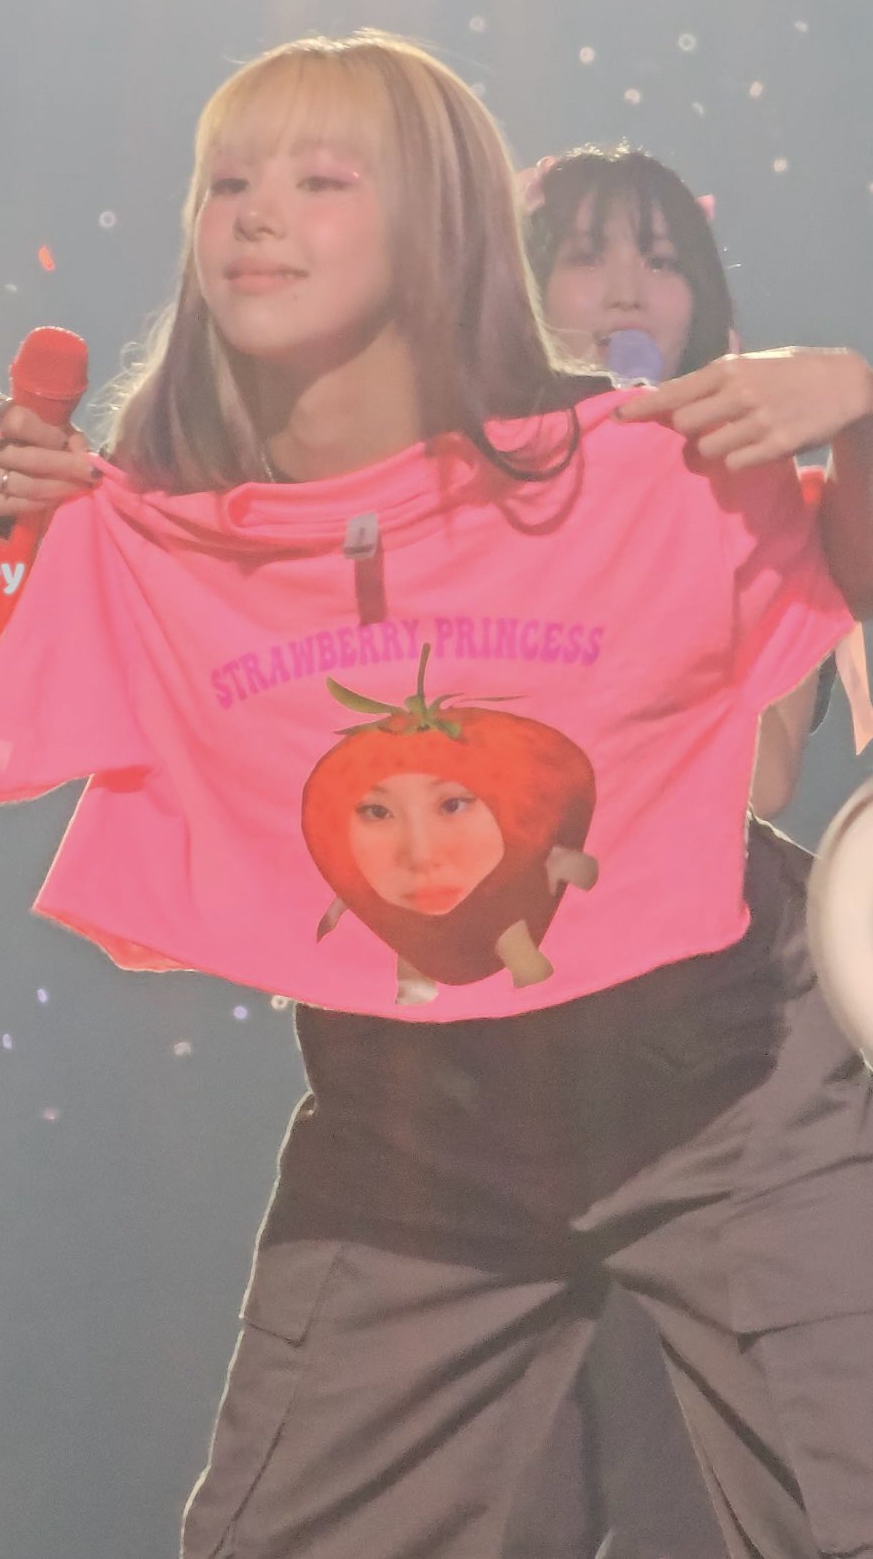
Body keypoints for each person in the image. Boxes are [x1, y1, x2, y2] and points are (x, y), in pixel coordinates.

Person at [0, 33, 873, 1559]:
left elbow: (825, 614)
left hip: (729, 1082)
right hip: (416, 1131)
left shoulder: (635, 464)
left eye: (321, 179)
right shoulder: (174, 517)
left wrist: (860, 399)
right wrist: (30, 523)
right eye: (229, 181)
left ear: (442, 223)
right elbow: (9, 685)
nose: (257, 212)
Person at [517, 143, 872, 1557]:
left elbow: (768, 772)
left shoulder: (757, 500)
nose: (626, 289)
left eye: (661, 260)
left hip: (711, 1038)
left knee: (712, 1467)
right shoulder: (435, 490)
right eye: (587, 255)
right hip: (499, 1042)